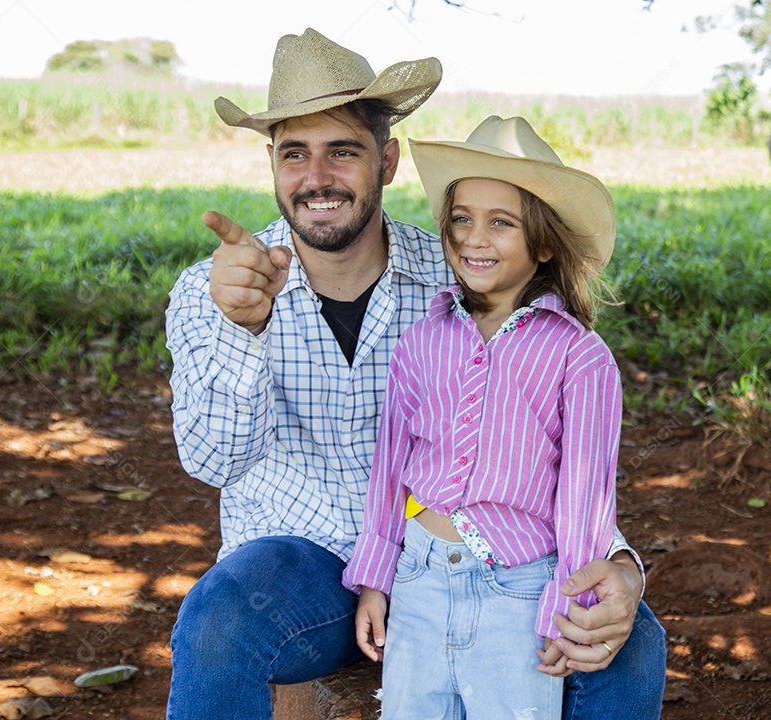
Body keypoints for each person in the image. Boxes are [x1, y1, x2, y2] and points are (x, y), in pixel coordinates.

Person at [165, 28, 665, 720]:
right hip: (301, 570)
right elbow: (212, 461)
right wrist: (242, 331)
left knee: (630, 644)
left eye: (343, 151)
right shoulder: (213, 290)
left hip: (472, 554)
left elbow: (558, 448)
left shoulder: (461, 273)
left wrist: (623, 564)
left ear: (388, 160)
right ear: (271, 165)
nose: (317, 177)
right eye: (294, 153)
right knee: (218, 620)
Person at [344, 114, 647, 718]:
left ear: (543, 244)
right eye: (462, 219)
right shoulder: (421, 342)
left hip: (518, 588)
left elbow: (585, 496)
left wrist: (568, 607)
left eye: (501, 222)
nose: (474, 239)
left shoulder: (580, 356)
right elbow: (391, 469)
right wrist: (377, 577)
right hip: (418, 577)